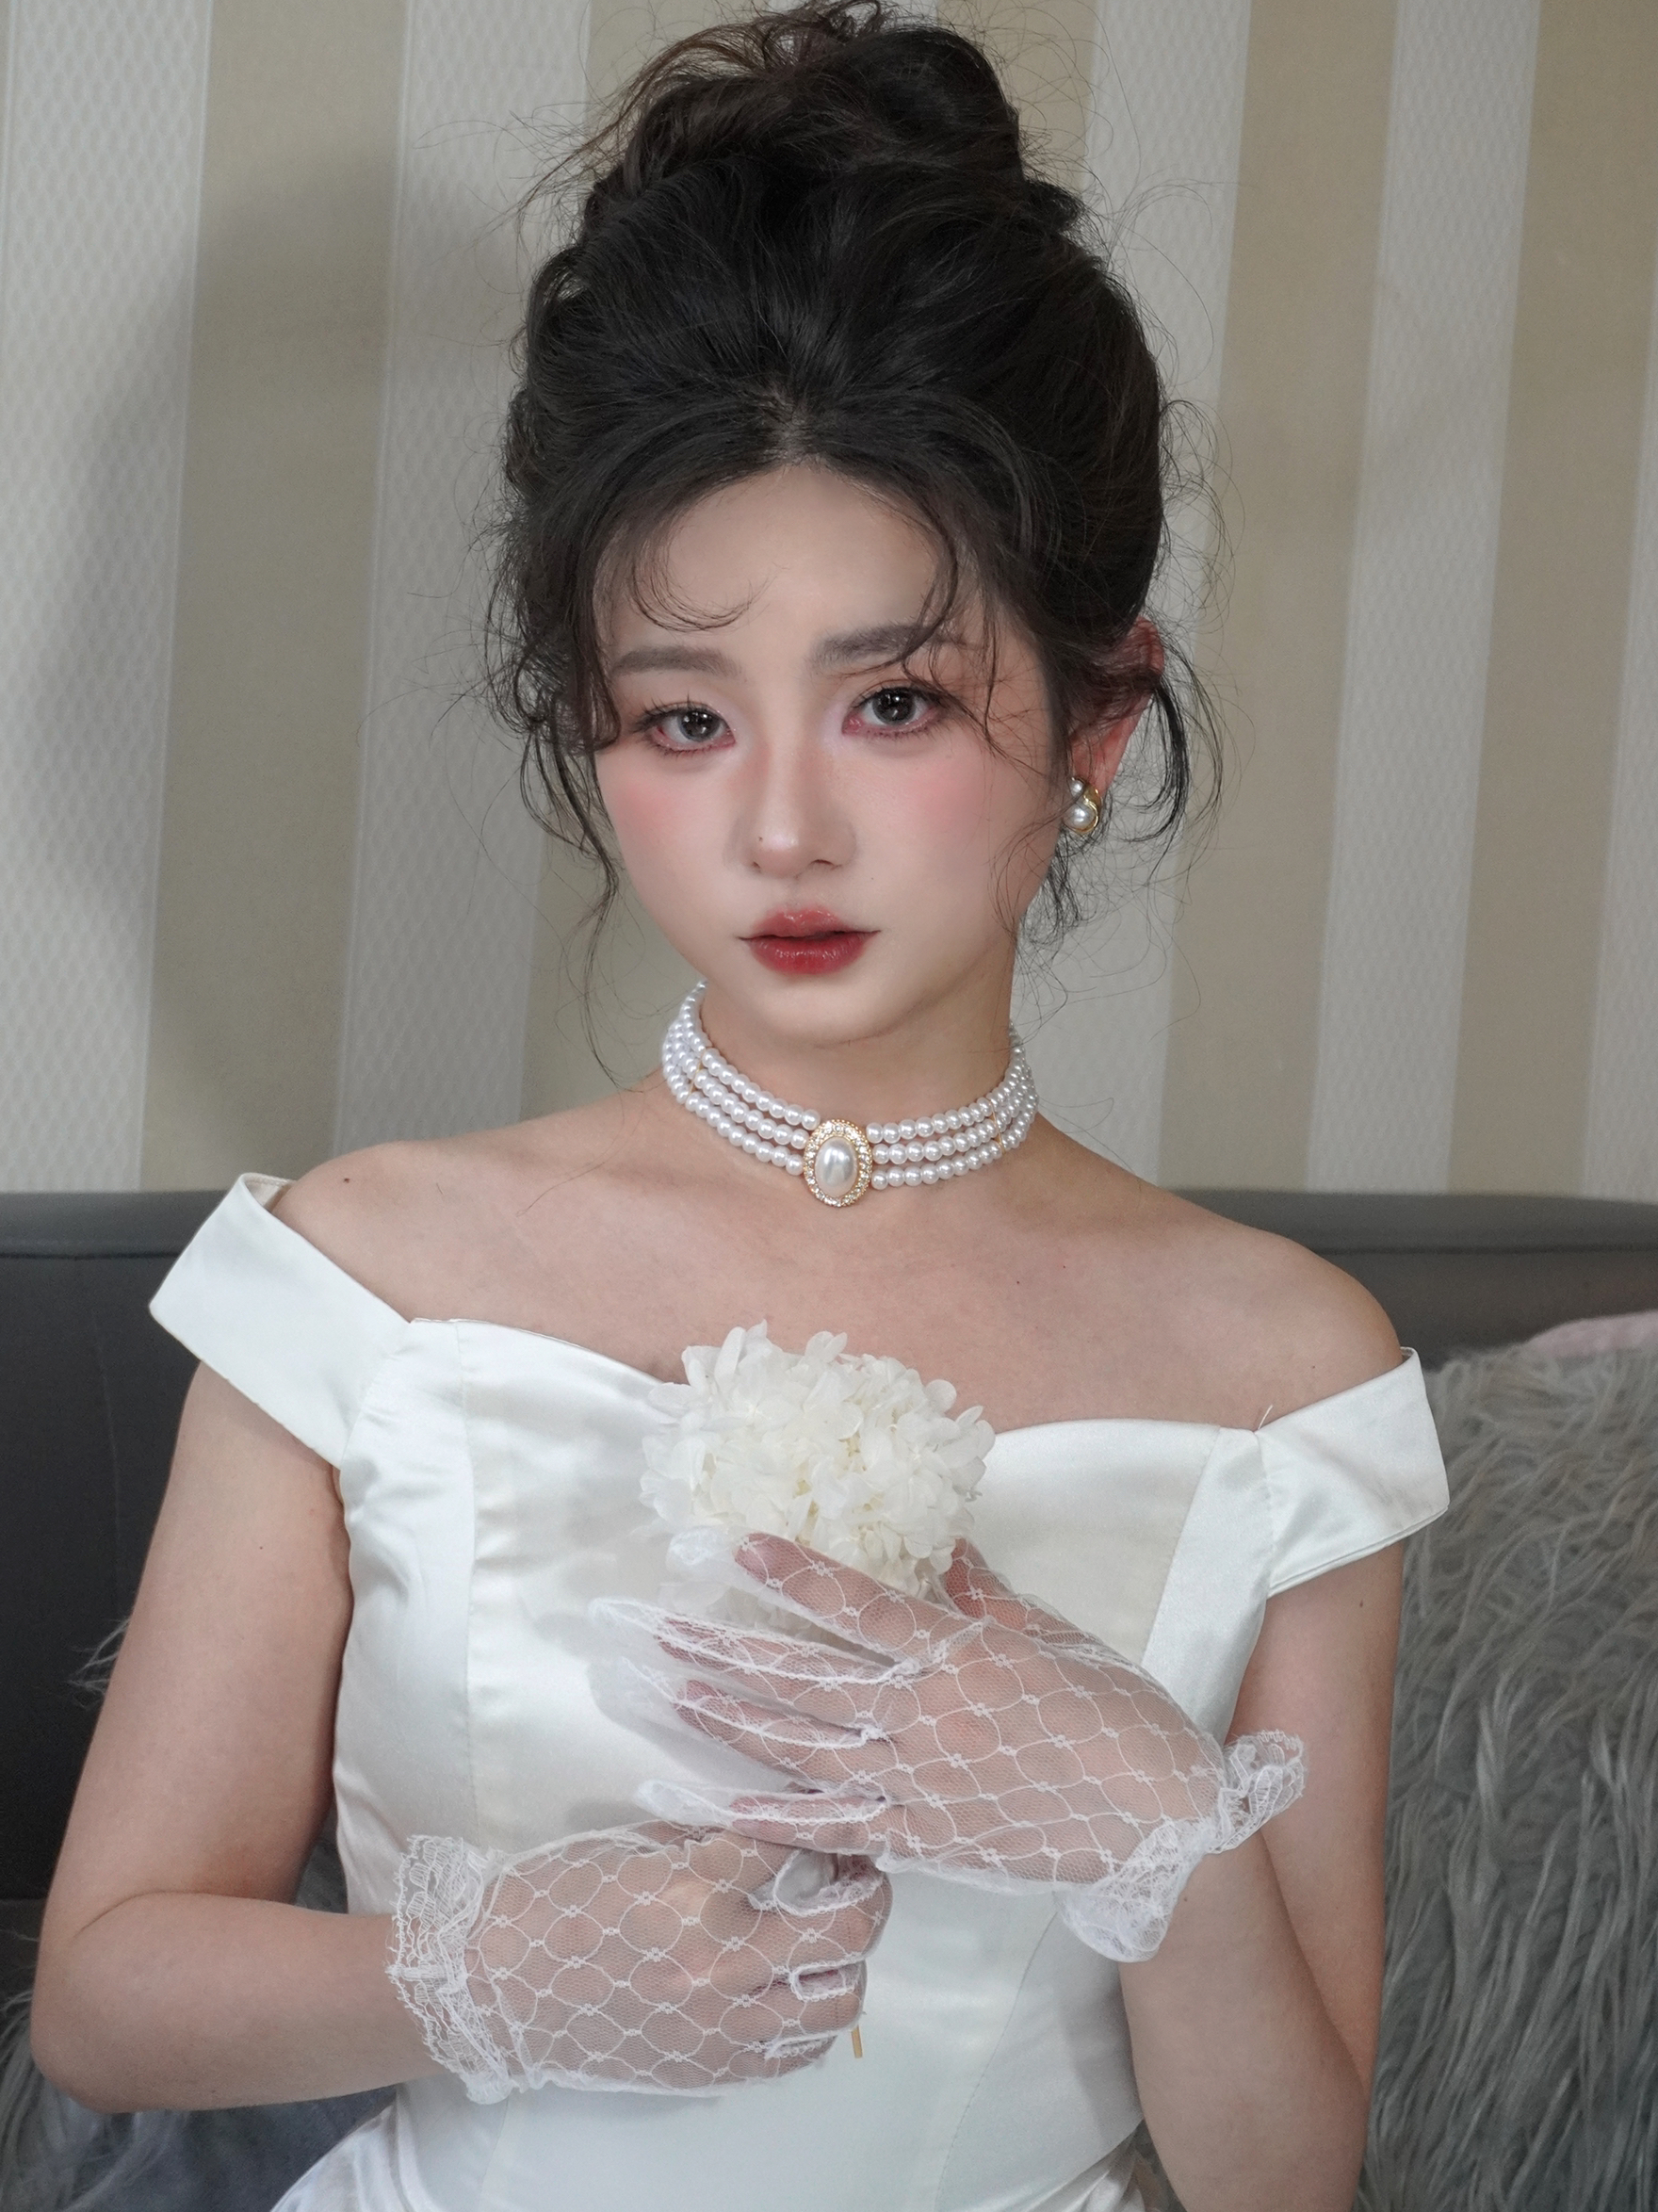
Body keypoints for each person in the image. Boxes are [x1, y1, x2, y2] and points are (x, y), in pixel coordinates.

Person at [29, 7, 1447, 2208]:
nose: (781, 828)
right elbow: (103, 1993)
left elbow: (1286, 2178)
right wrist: (483, 1972)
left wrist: (1160, 1836)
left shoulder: (1287, 1372)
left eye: (893, 701)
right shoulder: (363, 1275)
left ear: (1096, 718)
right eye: (683, 718)